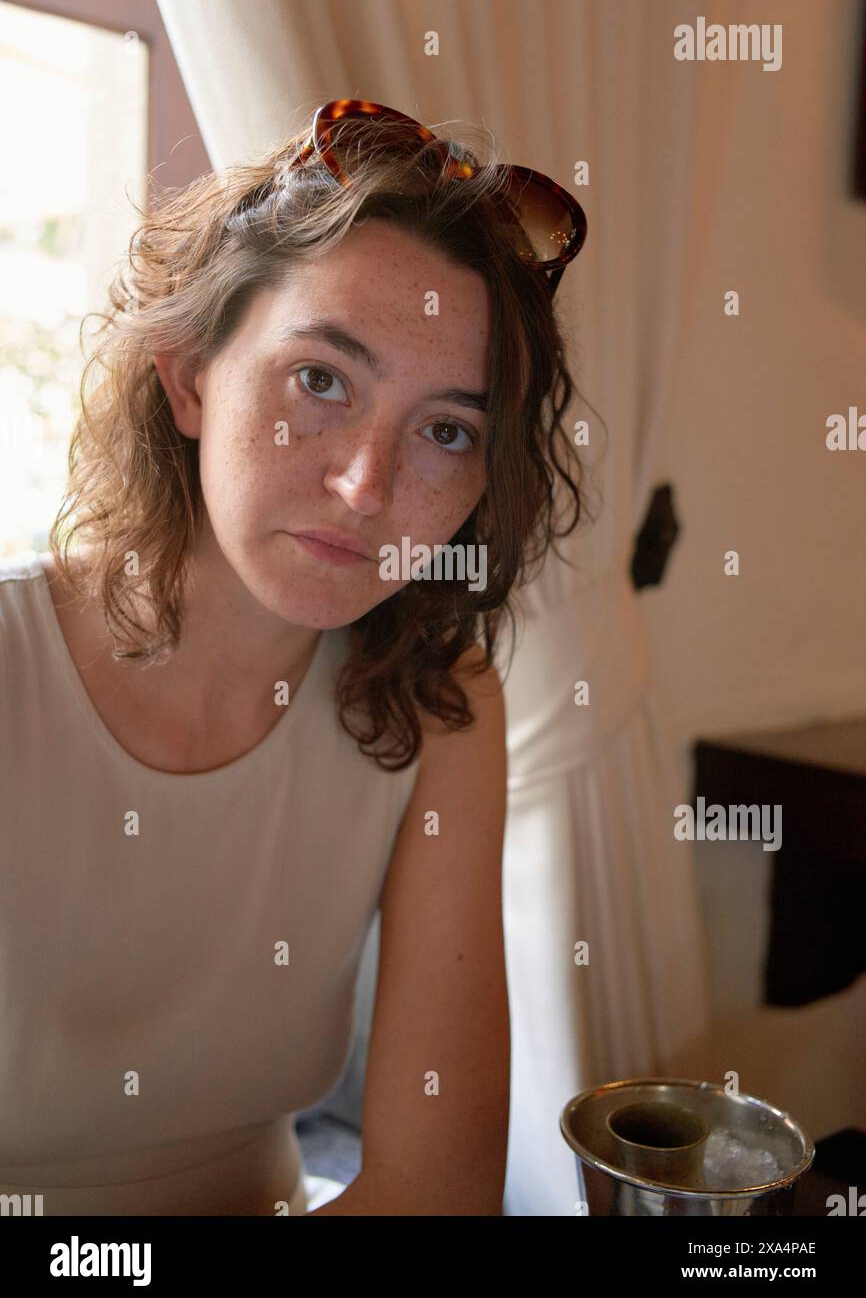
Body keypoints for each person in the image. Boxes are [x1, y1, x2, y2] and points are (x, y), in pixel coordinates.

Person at [0, 100, 588, 1215]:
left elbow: (436, 1188)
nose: (368, 486)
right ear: (188, 375)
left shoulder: (436, 704)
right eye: (321, 379)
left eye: (446, 430)